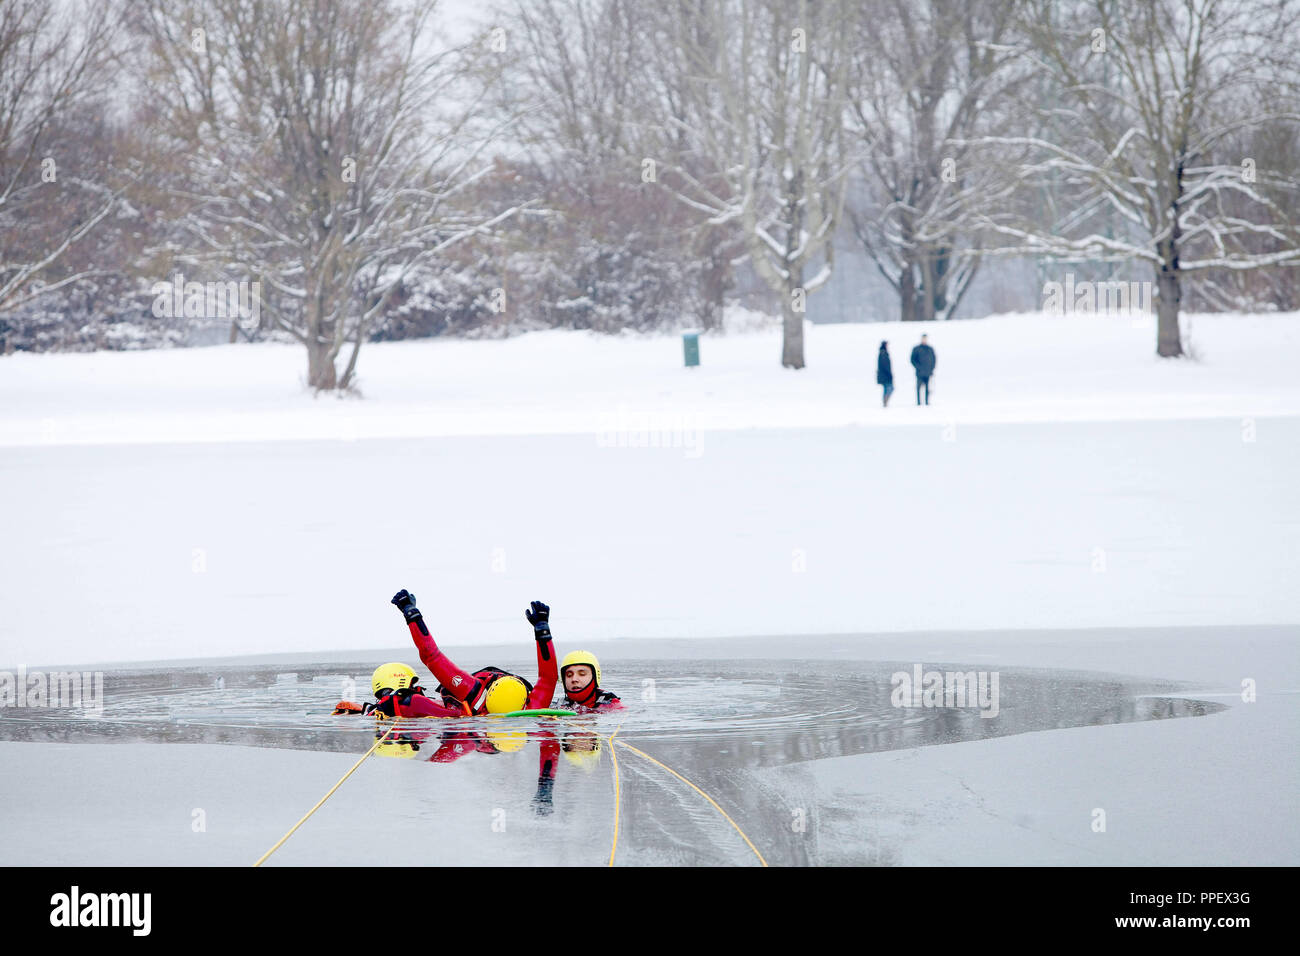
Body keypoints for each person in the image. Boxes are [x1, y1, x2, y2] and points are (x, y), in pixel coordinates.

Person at [393, 589, 558, 715]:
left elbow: (548, 679)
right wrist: (412, 613)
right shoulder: (472, 692)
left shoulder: (533, 707)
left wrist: (542, 630)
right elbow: (432, 656)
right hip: (479, 686)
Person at [557, 650, 622, 713]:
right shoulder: (559, 705)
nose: (574, 679)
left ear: (595, 677)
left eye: (582, 674)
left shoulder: (611, 705)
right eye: (569, 675)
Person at [910, 333, 936, 405]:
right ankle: (918, 402)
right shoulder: (917, 349)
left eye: (925, 338)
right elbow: (912, 360)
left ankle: (927, 402)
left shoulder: (930, 349)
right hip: (919, 372)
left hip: (928, 372)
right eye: (923, 338)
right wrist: (918, 367)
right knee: (918, 388)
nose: (924, 340)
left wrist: (931, 369)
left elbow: (934, 360)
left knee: (927, 388)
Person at [876, 340, 893, 407]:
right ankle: (885, 401)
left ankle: (885, 401)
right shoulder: (883, 353)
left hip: (884, 375)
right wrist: (888, 373)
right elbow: (885, 365)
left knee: (887, 388)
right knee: (889, 388)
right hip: (885, 375)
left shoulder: (883, 352)